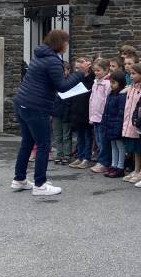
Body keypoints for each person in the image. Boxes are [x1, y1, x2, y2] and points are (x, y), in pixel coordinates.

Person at [11, 30, 88, 196]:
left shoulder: (39, 56)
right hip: (36, 108)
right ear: (60, 43)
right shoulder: (52, 61)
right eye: (66, 42)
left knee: (27, 143)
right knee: (44, 145)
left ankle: (19, 179)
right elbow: (62, 86)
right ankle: (40, 184)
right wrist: (81, 73)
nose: (67, 45)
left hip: (22, 103)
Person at [67, 58, 95, 169]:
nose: (77, 70)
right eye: (76, 68)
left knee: (87, 136)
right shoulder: (74, 79)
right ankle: (80, 156)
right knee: (80, 137)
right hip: (76, 111)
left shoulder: (91, 79)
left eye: (80, 68)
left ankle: (86, 158)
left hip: (86, 111)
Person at [121, 63, 141, 183]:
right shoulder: (131, 87)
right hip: (129, 121)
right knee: (135, 149)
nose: (131, 76)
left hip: (138, 122)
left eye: (134, 73)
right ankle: (136, 170)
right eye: (130, 73)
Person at [101, 71, 128, 178]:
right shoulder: (111, 94)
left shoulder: (121, 96)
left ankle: (120, 167)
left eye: (114, 83)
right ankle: (114, 165)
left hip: (117, 125)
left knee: (120, 146)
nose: (111, 85)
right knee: (113, 146)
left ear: (120, 83)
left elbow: (121, 113)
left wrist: (118, 127)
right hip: (110, 124)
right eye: (111, 82)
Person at [87, 59, 112, 173]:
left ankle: (104, 162)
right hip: (95, 116)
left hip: (103, 116)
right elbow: (92, 100)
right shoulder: (95, 82)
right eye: (95, 70)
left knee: (103, 141)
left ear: (106, 70)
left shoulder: (107, 83)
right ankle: (101, 160)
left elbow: (107, 100)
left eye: (98, 70)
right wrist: (91, 116)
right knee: (98, 140)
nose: (96, 72)